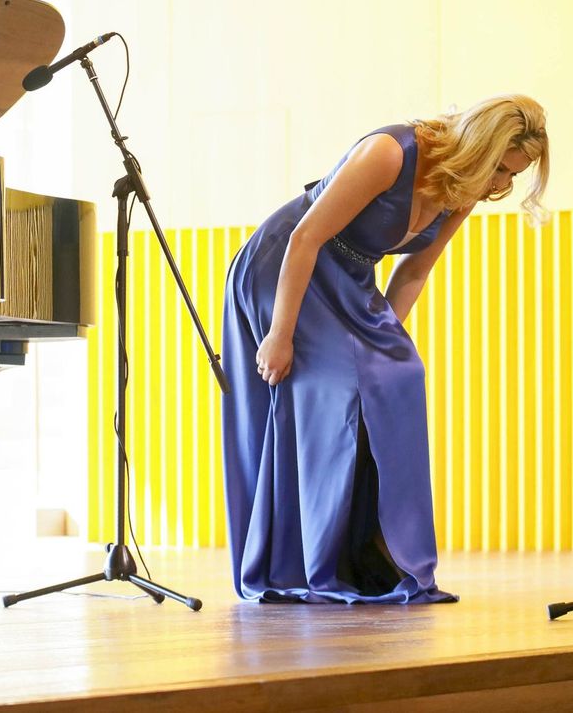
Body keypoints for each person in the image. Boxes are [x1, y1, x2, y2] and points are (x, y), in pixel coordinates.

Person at [221, 95, 550, 603]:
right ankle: (308, 556)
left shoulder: (462, 190)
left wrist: (382, 345)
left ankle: (380, 552)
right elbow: (305, 238)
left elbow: (415, 269)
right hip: (285, 265)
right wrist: (279, 335)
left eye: (512, 175)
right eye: (501, 169)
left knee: (401, 372)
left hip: (350, 279)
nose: (501, 185)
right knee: (334, 385)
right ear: (479, 148)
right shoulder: (389, 153)